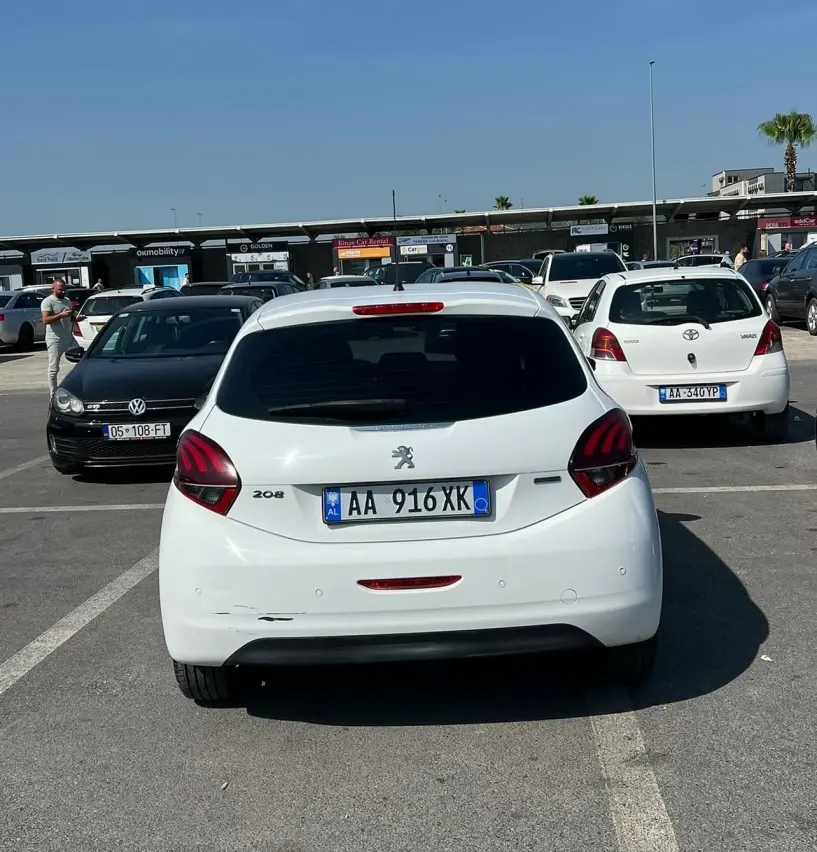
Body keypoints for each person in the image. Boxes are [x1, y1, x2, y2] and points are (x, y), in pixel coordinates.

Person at [41, 279, 77, 397]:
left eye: (64, 289)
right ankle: (53, 393)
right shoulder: (48, 302)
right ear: (53, 289)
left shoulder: (66, 300)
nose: (63, 292)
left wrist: (76, 318)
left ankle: (77, 388)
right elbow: (45, 320)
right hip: (54, 339)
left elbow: (70, 317)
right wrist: (60, 315)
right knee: (54, 368)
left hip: (68, 337)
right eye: (60, 289)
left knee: (81, 360)